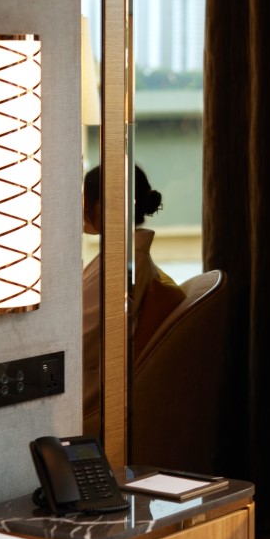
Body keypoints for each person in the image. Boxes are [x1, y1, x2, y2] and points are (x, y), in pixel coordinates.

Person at [81, 164, 186, 436]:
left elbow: (84, 339)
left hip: (88, 393)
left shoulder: (124, 264)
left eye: (84, 198)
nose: (79, 206)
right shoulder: (123, 256)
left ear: (105, 204)